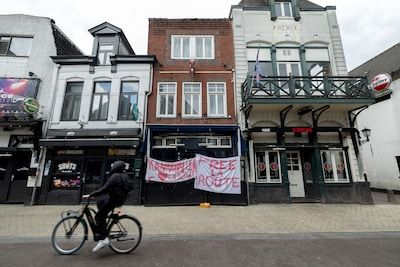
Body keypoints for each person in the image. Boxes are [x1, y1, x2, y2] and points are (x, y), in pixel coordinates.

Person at [82, 160, 130, 252]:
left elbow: (105, 189)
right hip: (118, 199)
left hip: (114, 200)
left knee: (98, 217)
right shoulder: (123, 176)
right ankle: (105, 222)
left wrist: (91, 195)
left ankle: (104, 239)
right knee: (100, 202)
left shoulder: (115, 177)